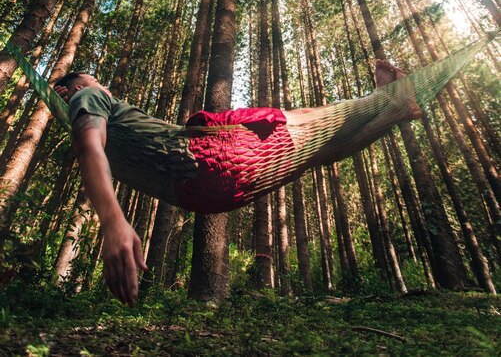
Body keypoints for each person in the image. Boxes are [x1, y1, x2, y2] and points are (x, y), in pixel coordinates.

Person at [54, 60, 420, 306]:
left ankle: (396, 107)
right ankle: (387, 97)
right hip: (214, 159)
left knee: (322, 148)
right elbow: (90, 145)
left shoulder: (86, 106)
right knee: (304, 122)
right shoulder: (89, 95)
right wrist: (113, 220)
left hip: (205, 194)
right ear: (76, 87)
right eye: (89, 81)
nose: (97, 84)